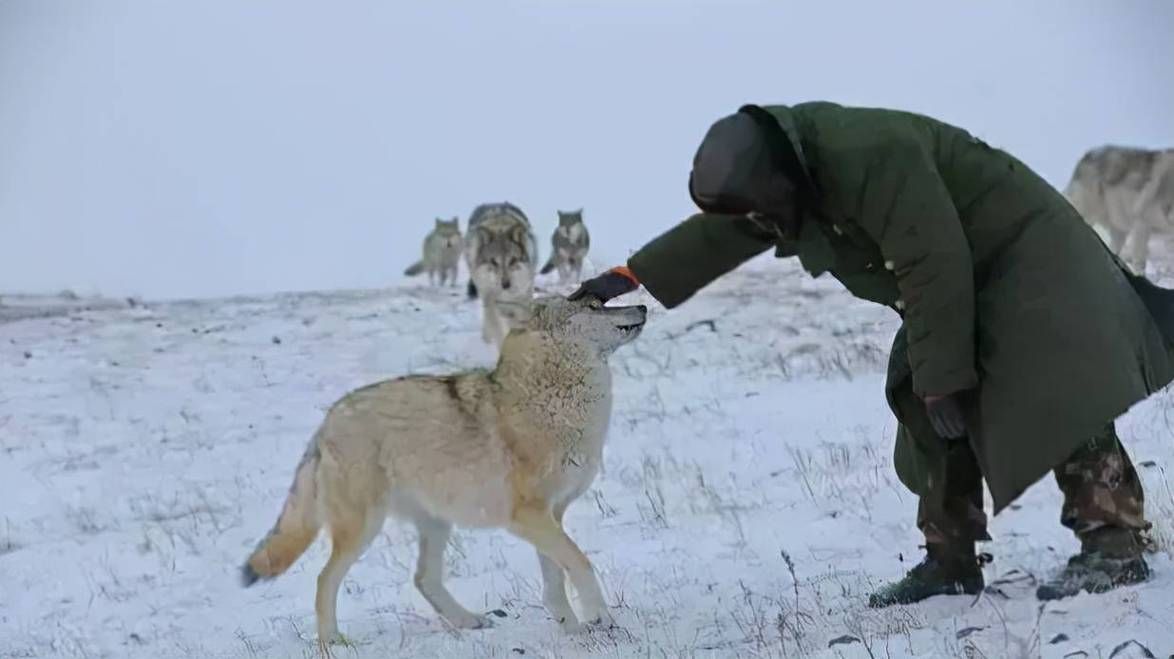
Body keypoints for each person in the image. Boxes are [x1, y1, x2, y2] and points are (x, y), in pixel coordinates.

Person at [570, 101, 1174, 605]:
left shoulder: (873, 156)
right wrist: (630, 276)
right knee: (918, 391)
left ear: (780, 182)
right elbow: (724, 227)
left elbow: (932, 260)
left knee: (1054, 381)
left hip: (1026, 258)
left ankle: (1115, 543)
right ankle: (950, 559)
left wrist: (946, 378)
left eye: (761, 208)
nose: (758, 220)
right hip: (960, 272)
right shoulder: (787, 173)